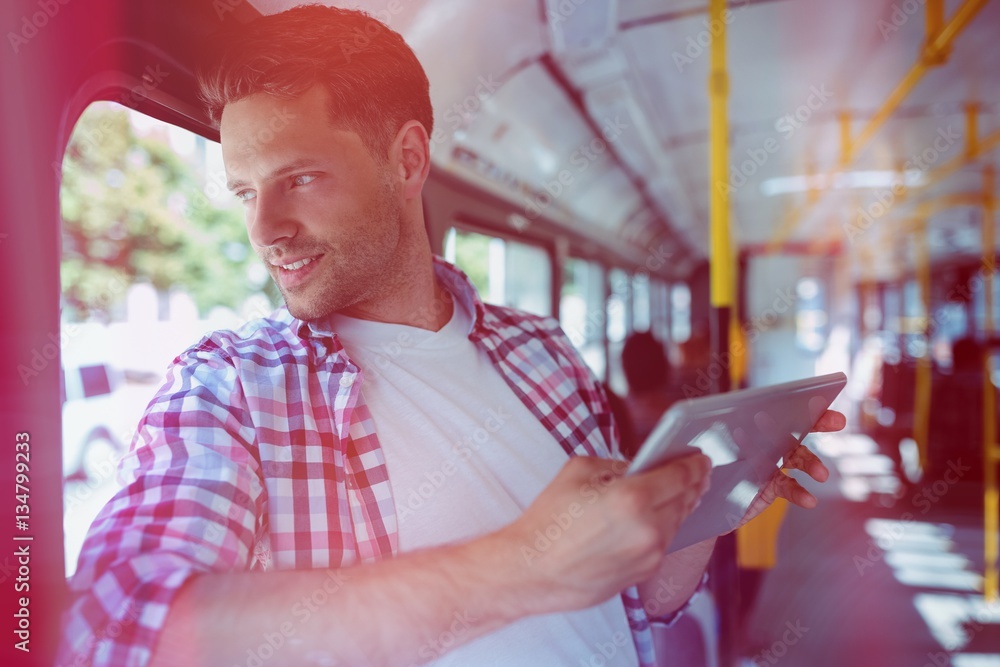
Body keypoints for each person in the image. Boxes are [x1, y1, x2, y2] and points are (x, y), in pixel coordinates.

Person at [58, 7, 844, 667]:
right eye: (245, 191)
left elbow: (641, 597)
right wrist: (520, 568)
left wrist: (709, 500)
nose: (265, 229)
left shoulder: (543, 354)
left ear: (405, 159)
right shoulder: (231, 389)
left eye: (298, 178)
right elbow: (110, 625)